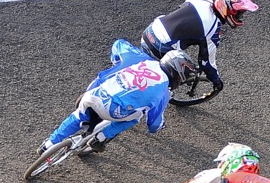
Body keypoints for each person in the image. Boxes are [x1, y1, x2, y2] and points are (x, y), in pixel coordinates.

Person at [37, 39, 196, 154]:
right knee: (136, 116)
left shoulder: (143, 59)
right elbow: (153, 124)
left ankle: (49, 144)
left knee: (78, 115)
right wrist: (160, 126)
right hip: (112, 110)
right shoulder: (164, 93)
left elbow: (118, 44)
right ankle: (101, 137)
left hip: (94, 92)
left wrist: (116, 62)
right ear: (178, 74)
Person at [140, 0, 258, 93]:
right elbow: (206, 63)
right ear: (227, 9)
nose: (239, 17)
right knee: (184, 68)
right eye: (238, 14)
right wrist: (216, 81)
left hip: (149, 32)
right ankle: (161, 92)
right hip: (159, 48)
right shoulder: (213, 29)